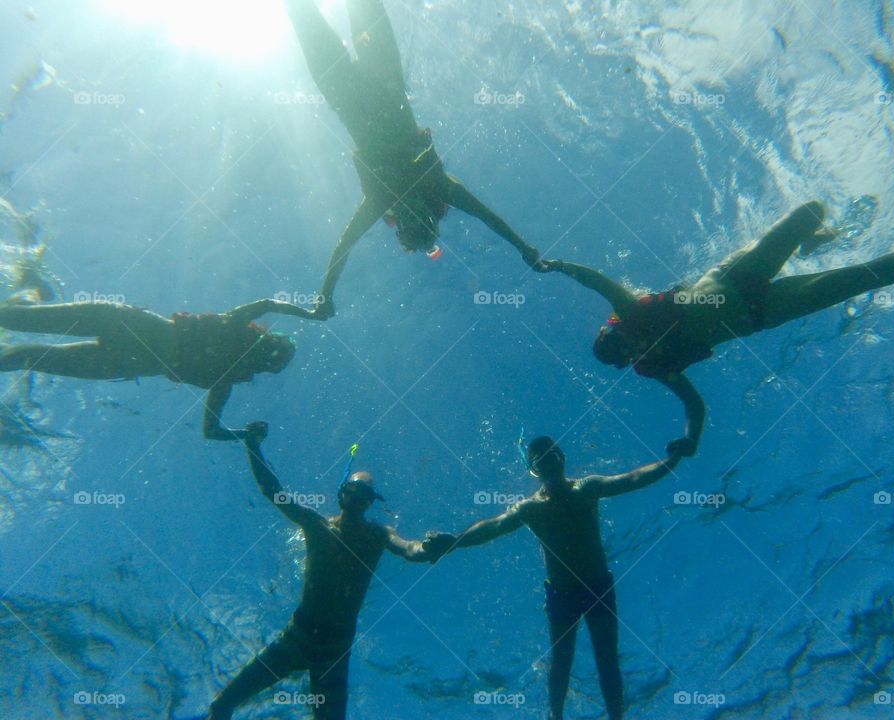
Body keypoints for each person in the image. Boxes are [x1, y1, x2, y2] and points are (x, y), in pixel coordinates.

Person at [547, 201, 894, 453]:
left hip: (734, 273)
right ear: (629, 360)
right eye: (626, 351)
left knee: (810, 211)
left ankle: (815, 238)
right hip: (764, 311)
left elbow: (597, 280)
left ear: (616, 327)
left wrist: (556, 265)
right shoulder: (657, 366)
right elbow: (694, 405)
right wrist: (691, 438)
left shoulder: (634, 313)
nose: (631, 344)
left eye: (620, 337)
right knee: (864, 278)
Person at [285, 0, 547, 317]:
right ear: (432, 214)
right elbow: (486, 216)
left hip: (346, 95)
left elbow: (344, 247)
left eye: (410, 224)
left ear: (399, 225)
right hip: (385, 79)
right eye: (425, 220)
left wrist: (325, 296)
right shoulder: (440, 187)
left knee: (301, 13)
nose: (415, 215)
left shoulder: (380, 200)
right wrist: (523, 248)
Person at [426, 436, 684, 720]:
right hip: (563, 594)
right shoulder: (530, 508)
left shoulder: (587, 488)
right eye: (541, 460)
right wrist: (455, 540)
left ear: (561, 458)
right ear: (533, 469)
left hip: (598, 587)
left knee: (607, 660)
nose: (548, 463)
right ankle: (555, 716)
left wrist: (671, 461)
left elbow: (633, 479)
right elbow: (494, 526)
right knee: (562, 663)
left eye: (551, 456)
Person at [194, 421, 437, 719]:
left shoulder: (379, 535)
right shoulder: (316, 525)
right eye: (353, 490)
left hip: (335, 649)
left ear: (370, 503)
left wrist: (428, 548)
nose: (357, 499)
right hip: (298, 635)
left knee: (226, 704)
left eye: (364, 495)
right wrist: (253, 446)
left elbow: (410, 548)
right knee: (221, 704)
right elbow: (273, 491)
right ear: (342, 493)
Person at [0, 297, 313, 440]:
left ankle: (20, 300)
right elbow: (212, 432)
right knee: (27, 354)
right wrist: (247, 435)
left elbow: (268, 303)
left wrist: (309, 313)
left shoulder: (234, 327)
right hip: (127, 361)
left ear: (264, 336)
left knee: (20, 323)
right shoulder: (224, 379)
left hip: (128, 323)